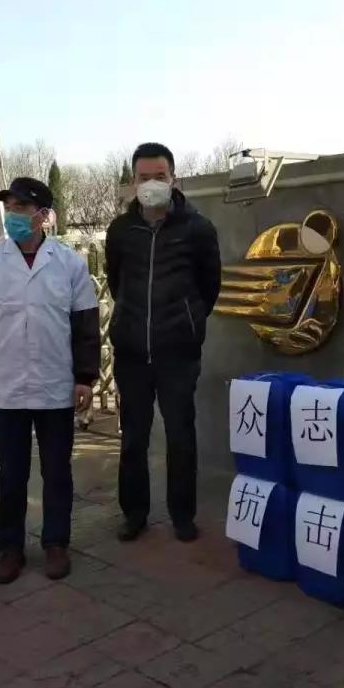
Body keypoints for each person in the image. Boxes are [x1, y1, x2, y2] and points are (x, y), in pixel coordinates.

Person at [0, 176, 100, 584]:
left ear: (43, 215)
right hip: (4, 387)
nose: (12, 215)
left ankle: (56, 543)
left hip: (55, 384)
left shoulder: (69, 263)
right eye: (9, 207)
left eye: (21, 207)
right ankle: (10, 548)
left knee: (57, 470)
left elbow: (85, 324)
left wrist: (85, 377)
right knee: (11, 472)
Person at [105, 143, 221, 543]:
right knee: (133, 438)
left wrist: (186, 321)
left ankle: (182, 515)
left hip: (178, 353)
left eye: (160, 177)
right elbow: (116, 282)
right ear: (133, 181)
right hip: (132, 353)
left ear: (174, 179)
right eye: (144, 177)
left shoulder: (197, 228)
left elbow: (209, 286)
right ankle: (134, 514)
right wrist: (131, 321)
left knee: (180, 436)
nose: (152, 184)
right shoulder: (121, 231)